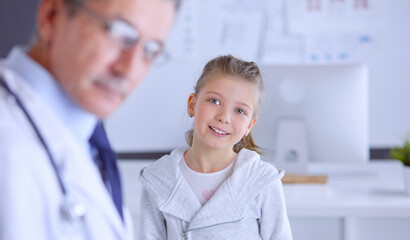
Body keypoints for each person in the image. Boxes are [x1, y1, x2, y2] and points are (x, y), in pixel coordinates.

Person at [0, 0, 179, 239]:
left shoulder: (88, 142)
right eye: (120, 33)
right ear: (51, 17)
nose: (129, 70)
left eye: (150, 50)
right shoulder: (8, 140)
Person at [139, 55, 293, 239]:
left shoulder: (262, 181)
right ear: (192, 105)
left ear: (249, 126)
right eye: (214, 101)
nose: (224, 117)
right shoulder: (158, 179)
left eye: (239, 111)